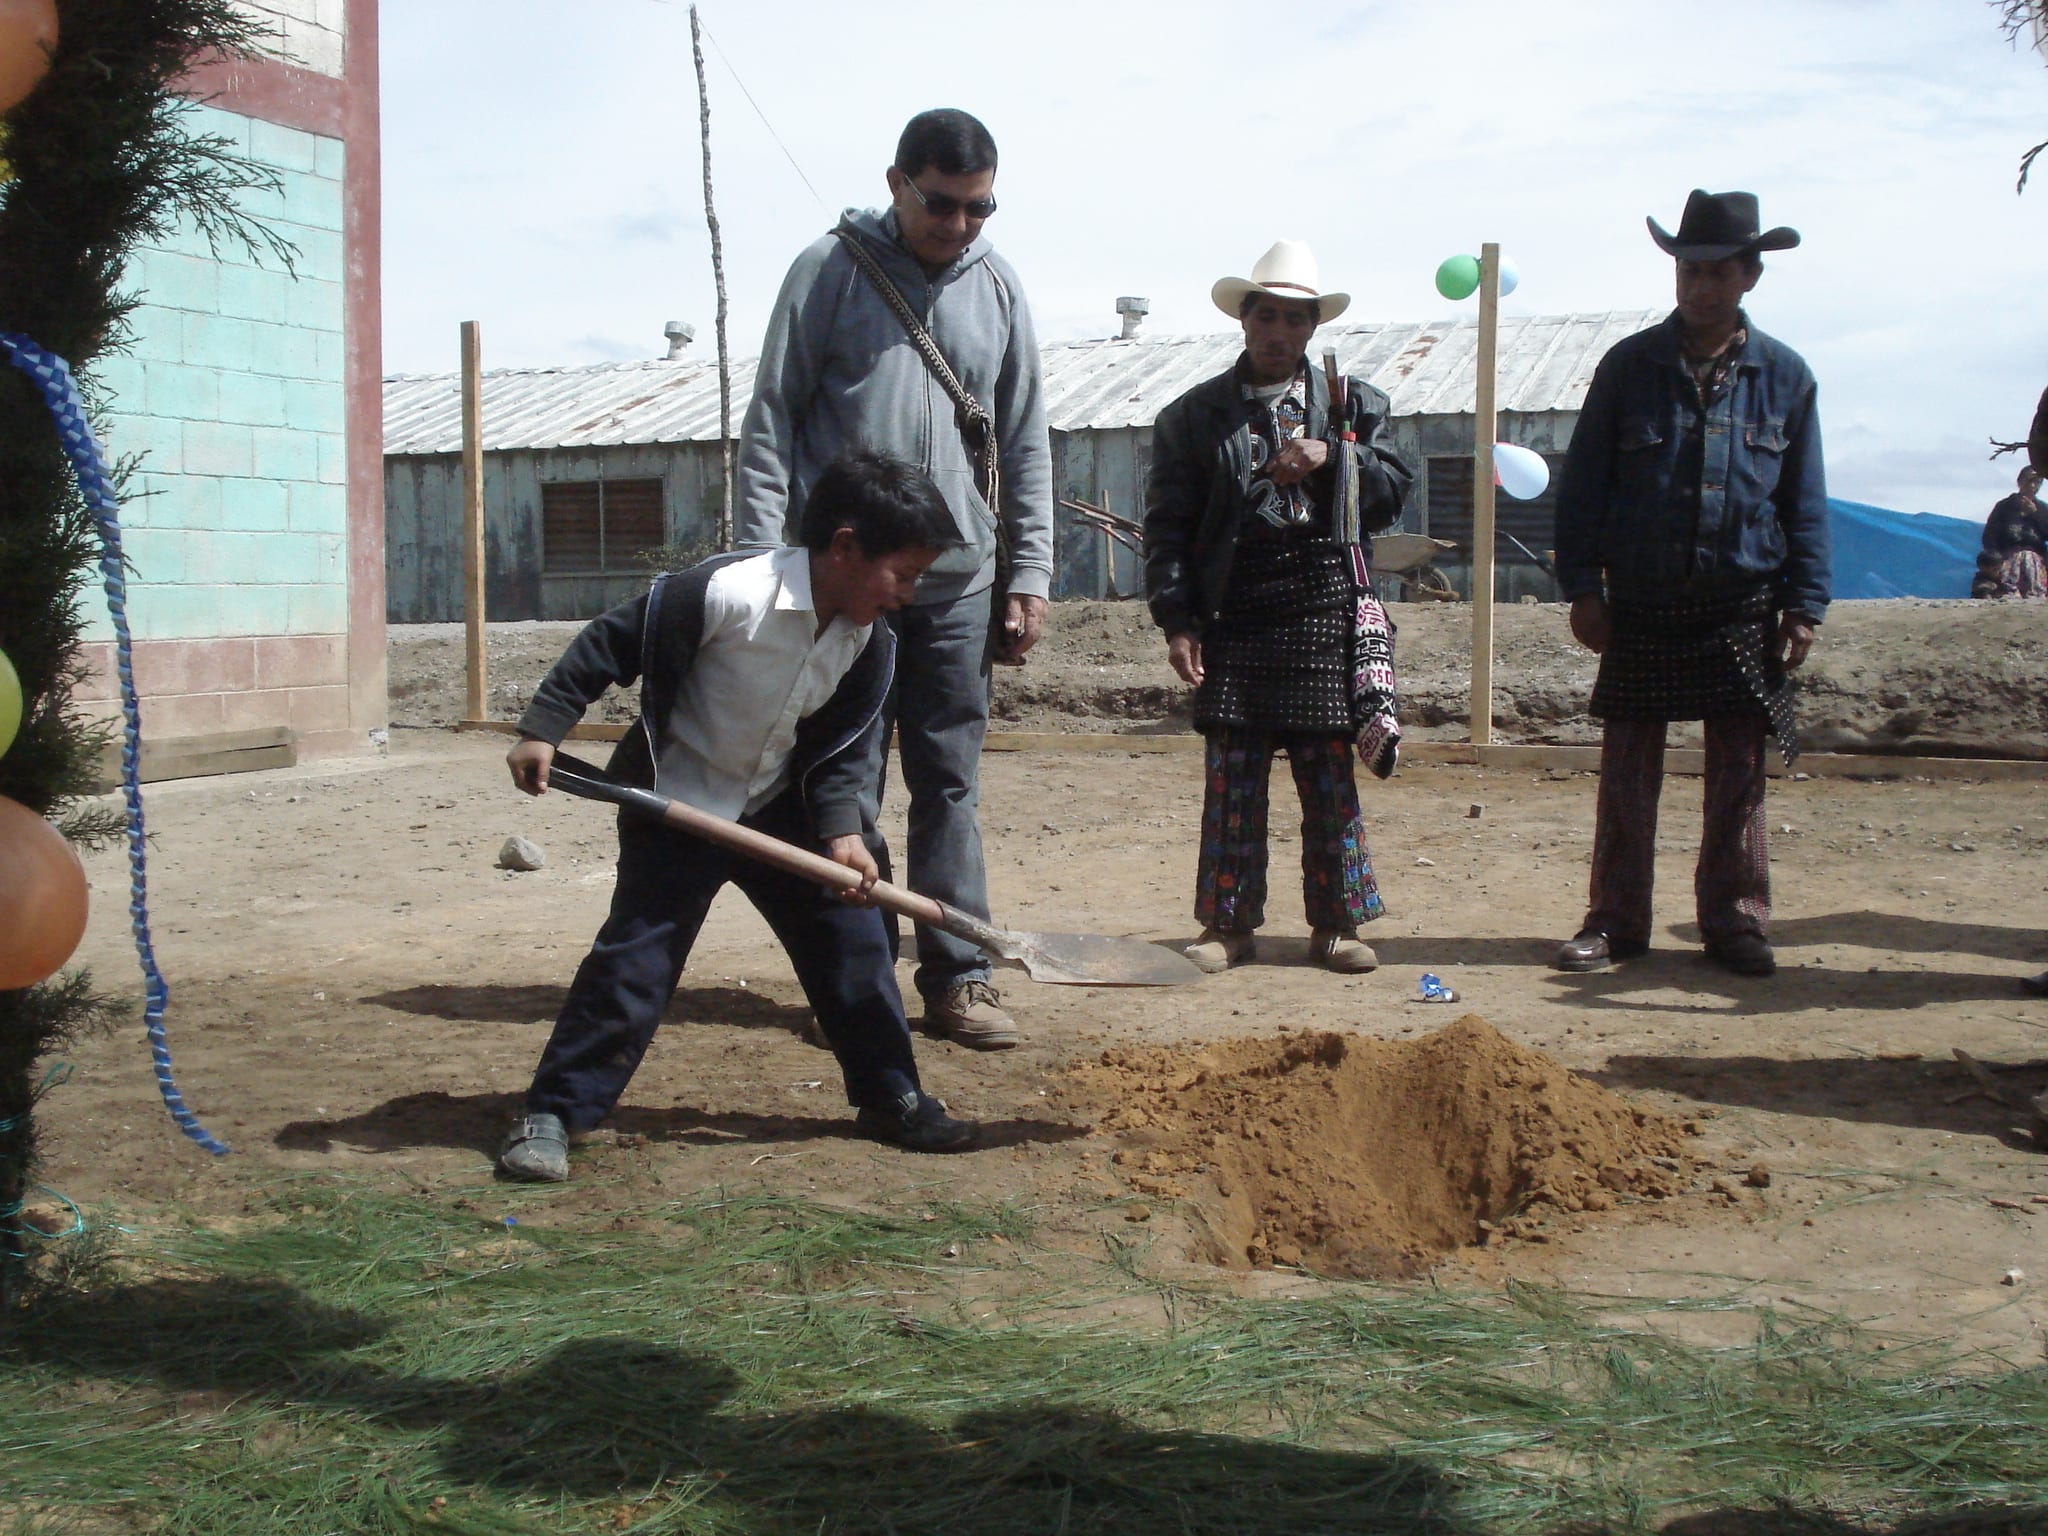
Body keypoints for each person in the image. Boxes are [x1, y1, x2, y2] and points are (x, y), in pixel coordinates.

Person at [494, 452, 977, 1183]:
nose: (907, 594)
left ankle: (892, 1097)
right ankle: (555, 1112)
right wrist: (544, 727)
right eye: (902, 574)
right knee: (637, 959)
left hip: (783, 807)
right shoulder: (723, 593)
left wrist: (844, 831)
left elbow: (847, 744)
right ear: (844, 547)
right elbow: (609, 644)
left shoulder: (867, 639)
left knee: (854, 944)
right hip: (679, 804)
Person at [735, 108, 1052, 1052]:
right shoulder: (827, 273)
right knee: (847, 777)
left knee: (949, 780)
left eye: (979, 209)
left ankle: (960, 978)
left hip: (959, 582)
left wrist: (1027, 569)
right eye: (942, 204)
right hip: (848, 586)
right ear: (896, 182)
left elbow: (1028, 436)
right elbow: (771, 423)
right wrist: (767, 563)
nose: (959, 226)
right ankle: (859, 980)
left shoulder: (998, 289)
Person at [1551, 190, 1830, 979]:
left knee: (1738, 774)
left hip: (1742, 603)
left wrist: (1805, 604)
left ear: (1749, 275)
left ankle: (1736, 923)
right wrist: (1583, 587)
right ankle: (1614, 922)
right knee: (1628, 772)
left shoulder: (1786, 377)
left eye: (1716, 271)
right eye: (1687, 268)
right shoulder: (1628, 367)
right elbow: (1584, 491)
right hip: (1640, 603)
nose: (1699, 285)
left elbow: (1802, 501)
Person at [1142, 241, 1414, 975]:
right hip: (1237, 610)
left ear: (1312, 328)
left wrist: (1336, 457)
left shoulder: (1354, 406)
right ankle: (1226, 925)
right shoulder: (1193, 417)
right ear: (1244, 320)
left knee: (1330, 776)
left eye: (1295, 319)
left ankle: (1337, 924)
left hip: (1325, 605)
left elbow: (1394, 491)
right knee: (1234, 776)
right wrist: (1178, 620)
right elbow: (1167, 526)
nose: (1279, 332)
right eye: (1267, 315)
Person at [1976, 467, 2047, 599]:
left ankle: (2034, 592)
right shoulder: (2004, 507)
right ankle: (2008, 590)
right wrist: (1995, 559)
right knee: (2018, 559)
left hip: (2036, 558)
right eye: (2029, 481)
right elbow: (1990, 536)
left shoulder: (2042, 510)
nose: (2032, 486)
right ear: (2019, 482)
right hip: (2007, 556)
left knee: (2028, 558)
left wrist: (2035, 515)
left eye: (2037, 482)